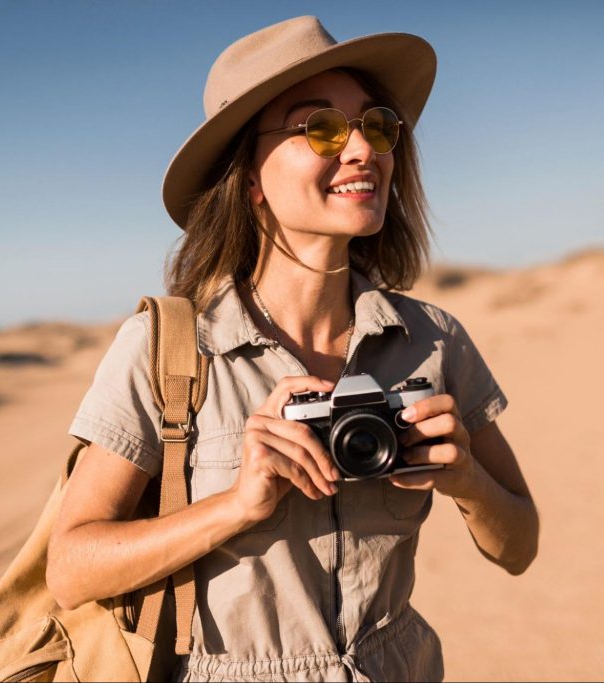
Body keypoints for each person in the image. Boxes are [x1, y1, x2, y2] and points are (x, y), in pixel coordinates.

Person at [46, 16, 538, 682]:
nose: (364, 149)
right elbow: (69, 569)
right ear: (249, 176)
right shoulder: (167, 353)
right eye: (323, 128)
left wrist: (466, 480)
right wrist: (238, 504)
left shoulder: (433, 340)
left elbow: (520, 545)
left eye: (377, 125)